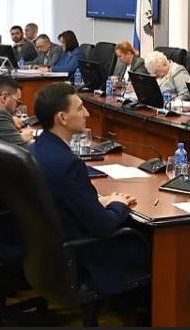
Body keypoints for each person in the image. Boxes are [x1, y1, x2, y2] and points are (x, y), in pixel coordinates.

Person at [29, 83, 147, 295]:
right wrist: (118, 204)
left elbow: (61, 200)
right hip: (84, 255)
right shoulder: (68, 164)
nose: (87, 113)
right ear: (62, 118)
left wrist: (98, 202)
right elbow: (103, 226)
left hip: (50, 253)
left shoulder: (35, 149)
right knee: (148, 243)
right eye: (80, 108)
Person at [0, 76, 34, 147]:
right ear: (4, 97)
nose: (17, 108)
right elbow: (22, 148)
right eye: (17, 102)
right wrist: (22, 138)